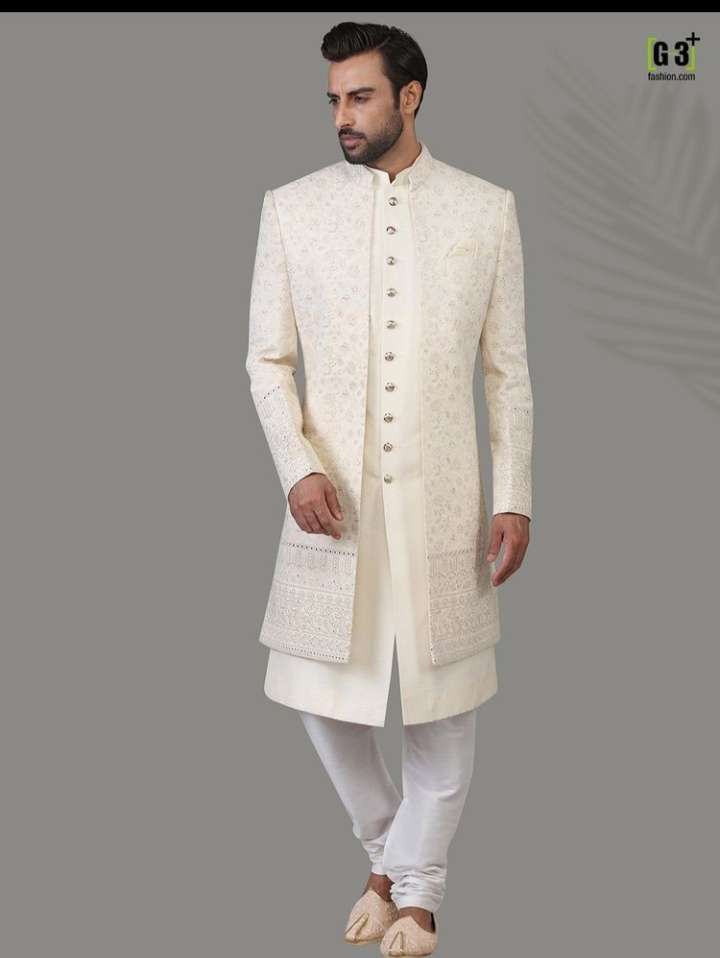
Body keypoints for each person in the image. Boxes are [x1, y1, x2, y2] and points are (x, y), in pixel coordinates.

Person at [246, 21, 532, 956]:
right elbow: (265, 361)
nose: (343, 115)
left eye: (360, 96)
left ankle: (417, 899)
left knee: (443, 707)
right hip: (336, 506)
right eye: (334, 99)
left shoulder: (486, 209)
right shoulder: (292, 208)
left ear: (410, 97)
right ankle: (393, 862)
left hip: (443, 501)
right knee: (322, 699)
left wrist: (515, 493)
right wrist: (298, 467)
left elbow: (507, 373)